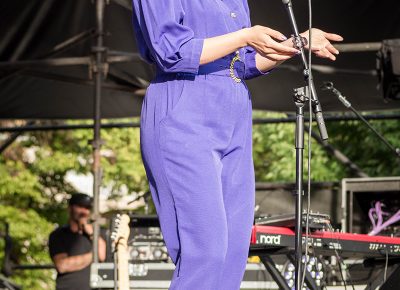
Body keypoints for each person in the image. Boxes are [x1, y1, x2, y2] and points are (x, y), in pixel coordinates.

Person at [131, 1, 343, 289]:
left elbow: (243, 63)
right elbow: (171, 51)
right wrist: (245, 36)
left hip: (232, 109)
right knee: (205, 252)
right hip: (184, 106)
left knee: (233, 252)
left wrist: (298, 42)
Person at [48, 193, 106, 290]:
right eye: (80, 206)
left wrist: (92, 233)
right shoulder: (58, 235)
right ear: (70, 208)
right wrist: (93, 255)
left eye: (87, 208)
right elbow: (62, 265)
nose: (84, 211)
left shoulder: (97, 234)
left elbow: (102, 255)